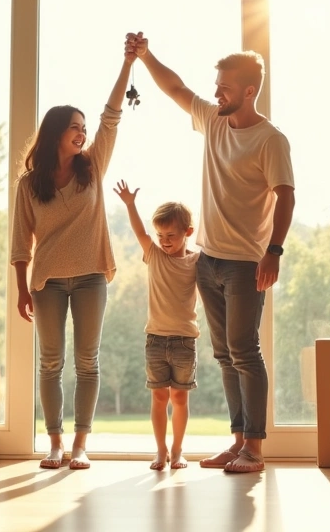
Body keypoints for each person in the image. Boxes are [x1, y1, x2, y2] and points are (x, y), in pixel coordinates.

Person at [125, 32, 295, 473]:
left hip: (245, 263)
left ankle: (254, 450)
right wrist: (145, 56)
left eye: (224, 86)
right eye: (216, 84)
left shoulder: (270, 140)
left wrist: (274, 251)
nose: (216, 91)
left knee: (244, 349)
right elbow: (177, 89)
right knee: (223, 354)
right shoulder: (214, 120)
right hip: (208, 260)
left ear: (249, 91)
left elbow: (286, 197)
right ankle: (238, 441)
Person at [10, 47, 136, 470]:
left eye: (83, 128)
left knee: (87, 361)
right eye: (74, 128)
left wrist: (127, 65)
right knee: (50, 362)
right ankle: (55, 444)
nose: (82, 133)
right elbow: (19, 242)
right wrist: (21, 291)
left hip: (90, 278)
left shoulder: (93, 166)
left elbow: (111, 116)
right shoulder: (29, 184)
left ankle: (81, 444)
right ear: (55, 133)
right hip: (45, 281)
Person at [112, 180, 201, 470]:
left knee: (180, 397)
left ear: (188, 233)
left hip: (185, 341)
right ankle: (160, 450)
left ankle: (177, 450)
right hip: (155, 340)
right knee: (160, 397)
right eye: (160, 234)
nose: (164, 240)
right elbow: (140, 232)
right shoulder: (154, 255)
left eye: (171, 235)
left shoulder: (197, 262)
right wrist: (129, 204)